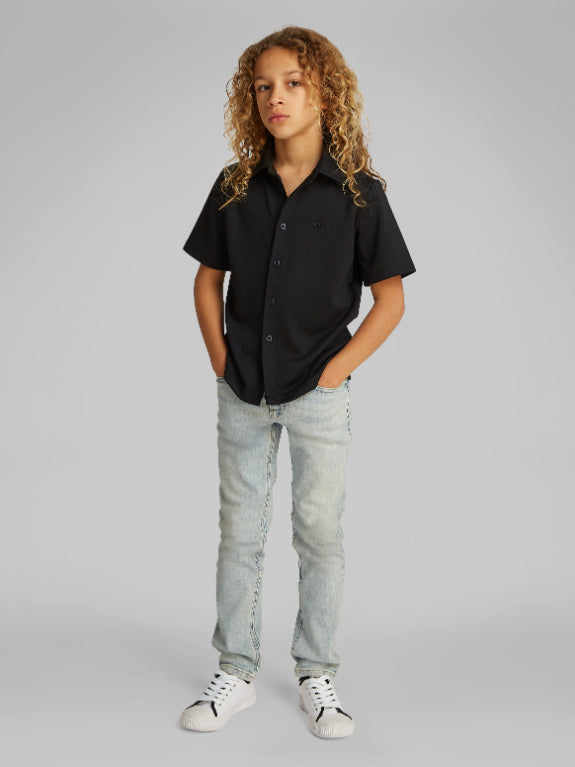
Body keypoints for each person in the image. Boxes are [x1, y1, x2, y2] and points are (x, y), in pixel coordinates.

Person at [179, 25, 416, 739]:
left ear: (324, 94)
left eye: (292, 83)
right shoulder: (234, 185)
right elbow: (207, 279)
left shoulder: (358, 193)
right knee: (239, 532)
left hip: (318, 394)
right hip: (242, 390)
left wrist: (336, 370)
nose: (275, 97)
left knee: (318, 533)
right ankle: (236, 671)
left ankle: (317, 672)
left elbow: (391, 299)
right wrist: (219, 357)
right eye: (262, 86)